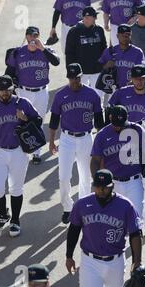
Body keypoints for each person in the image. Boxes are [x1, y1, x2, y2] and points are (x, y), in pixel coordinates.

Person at [0, 75, 42, 237]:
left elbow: (39, 121)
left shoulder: (23, 103)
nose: (4, 93)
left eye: (7, 90)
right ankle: (4, 214)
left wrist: (25, 118)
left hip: (19, 151)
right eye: (1, 90)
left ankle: (15, 220)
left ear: (13, 88)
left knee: (16, 188)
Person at [65, 169, 143, 287]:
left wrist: (137, 261)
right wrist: (69, 256)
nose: (101, 190)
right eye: (97, 187)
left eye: (105, 188)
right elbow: (74, 229)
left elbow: (135, 234)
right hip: (89, 262)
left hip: (115, 262)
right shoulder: (82, 204)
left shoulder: (125, 205)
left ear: (112, 186)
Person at [108, 64, 145, 238]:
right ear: (131, 78)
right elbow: (109, 110)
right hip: (123, 148)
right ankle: (126, 223)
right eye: (136, 78)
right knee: (126, 186)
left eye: (142, 77)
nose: (139, 81)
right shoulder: (121, 93)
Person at [48, 63, 104, 225]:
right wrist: (51, 141)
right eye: (72, 78)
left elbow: (99, 123)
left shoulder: (92, 95)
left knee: (86, 176)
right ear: (68, 78)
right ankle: (67, 208)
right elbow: (53, 121)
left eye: (77, 78)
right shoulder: (60, 95)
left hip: (86, 138)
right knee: (64, 177)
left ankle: (83, 207)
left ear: (81, 77)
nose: (75, 81)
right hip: (66, 139)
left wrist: (101, 146)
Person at [90, 105, 145, 232]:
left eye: (121, 124)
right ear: (110, 118)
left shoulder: (137, 130)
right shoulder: (102, 135)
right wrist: (98, 182)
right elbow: (95, 161)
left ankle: (135, 248)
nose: (119, 127)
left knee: (136, 220)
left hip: (134, 181)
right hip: (112, 184)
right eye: (116, 124)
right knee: (114, 221)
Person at [6, 26, 60, 165]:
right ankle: (20, 152)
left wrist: (43, 48)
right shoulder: (18, 52)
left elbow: (56, 62)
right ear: (26, 37)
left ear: (38, 36)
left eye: (35, 35)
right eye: (30, 36)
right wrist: (9, 89)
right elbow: (9, 71)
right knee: (21, 121)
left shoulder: (45, 50)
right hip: (24, 92)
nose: (32, 38)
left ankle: (36, 153)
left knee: (38, 121)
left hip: (41, 91)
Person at [65, 6, 108, 98]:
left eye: (91, 17)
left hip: (97, 70)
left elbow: (104, 48)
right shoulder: (74, 31)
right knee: (79, 97)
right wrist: (71, 71)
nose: (87, 19)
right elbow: (69, 52)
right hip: (81, 73)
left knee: (98, 97)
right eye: (86, 17)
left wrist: (104, 66)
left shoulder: (99, 30)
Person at [99, 24, 145, 91]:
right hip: (113, 88)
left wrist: (134, 82)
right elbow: (98, 68)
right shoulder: (109, 51)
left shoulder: (137, 52)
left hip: (131, 88)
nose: (125, 38)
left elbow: (142, 71)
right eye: (123, 35)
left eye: (127, 35)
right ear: (117, 36)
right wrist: (106, 66)